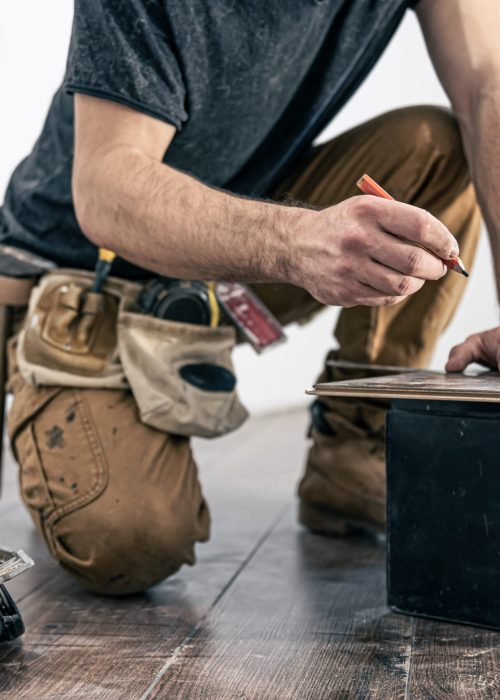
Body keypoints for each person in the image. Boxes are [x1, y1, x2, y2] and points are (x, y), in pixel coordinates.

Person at [0, 0, 498, 594]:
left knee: (433, 146)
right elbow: (107, 188)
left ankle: (354, 451)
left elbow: (487, 87)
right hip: (86, 281)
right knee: (130, 543)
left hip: (223, 257)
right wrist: (297, 242)